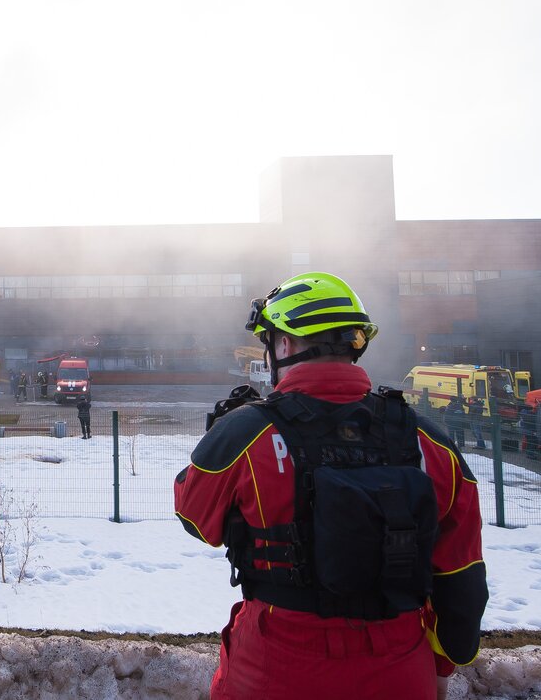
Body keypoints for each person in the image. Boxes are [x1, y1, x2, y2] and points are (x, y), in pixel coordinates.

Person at [174, 272, 487, 700]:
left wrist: (218, 438)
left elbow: (195, 518)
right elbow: (461, 576)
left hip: (272, 672)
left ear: (285, 344)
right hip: (400, 672)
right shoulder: (429, 441)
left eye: (270, 342)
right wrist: (441, 668)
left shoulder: (246, 431)